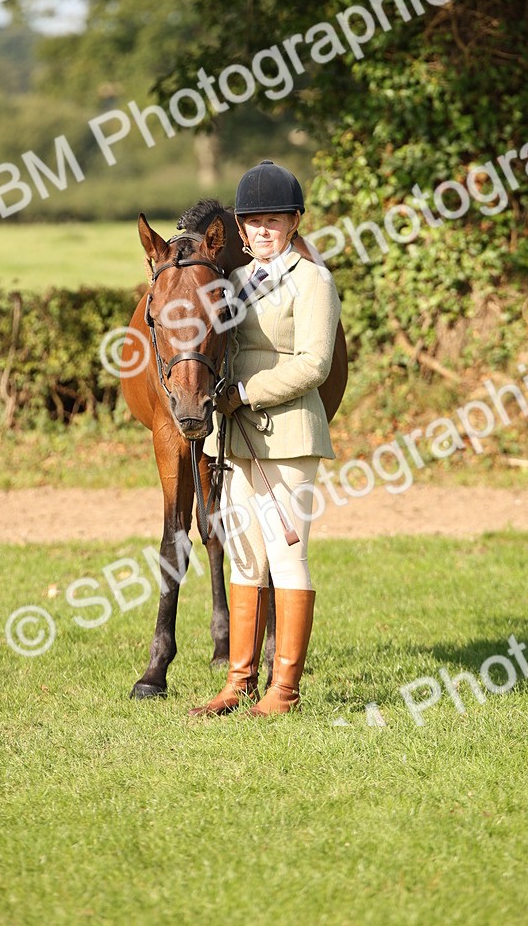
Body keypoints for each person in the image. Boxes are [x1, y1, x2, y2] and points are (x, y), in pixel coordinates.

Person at [190, 159, 341, 717]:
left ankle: (285, 691)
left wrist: (246, 392)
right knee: (245, 556)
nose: (261, 231)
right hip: (233, 435)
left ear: (294, 222)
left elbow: (314, 365)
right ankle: (238, 682)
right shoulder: (230, 283)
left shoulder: (312, 281)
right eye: (251, 222)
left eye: (272, 221)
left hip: (290, 434)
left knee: (285, 552)